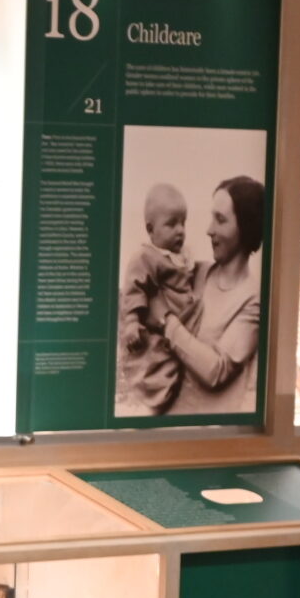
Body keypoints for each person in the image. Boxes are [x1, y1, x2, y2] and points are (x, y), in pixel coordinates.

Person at [162, 176, 264, 418]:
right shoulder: (197, 273)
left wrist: (167, 323)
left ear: (245, 228)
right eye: (212, 217)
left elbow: (216, 370)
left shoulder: (254, 299)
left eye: (220, 220)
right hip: (167, 422)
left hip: (210, 434)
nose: (209, 230)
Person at [119, 182, 199, 416]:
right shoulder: (146, 257)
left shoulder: (181, 257)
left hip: (180, 328)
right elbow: (134, 287)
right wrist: (133, 321)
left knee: (179, 372)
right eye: (171, 223)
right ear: (151, 229)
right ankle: (149, 403)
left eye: (183, 223)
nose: (180, 230)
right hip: (157, 335)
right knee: (155, 370)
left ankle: (166, 402)